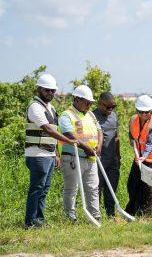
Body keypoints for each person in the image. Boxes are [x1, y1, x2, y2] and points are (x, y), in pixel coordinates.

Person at [24, 74, 77, 228]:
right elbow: (46, 128)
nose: (50, 93)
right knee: (37, 188)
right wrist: (68, 140)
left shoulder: (51, 108)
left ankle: (39, 220)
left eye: (53, 91)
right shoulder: (35, 107)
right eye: (47, 90)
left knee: (44, 189)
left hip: (49, 154)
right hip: (37, 154)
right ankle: (30, 222)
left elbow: (53, 131)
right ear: (39, 89)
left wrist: (56, 154)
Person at [59, 85, 103, 221]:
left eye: (91, 103)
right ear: (77, 99)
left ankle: (95, 216)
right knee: (71, 188)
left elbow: (99, 130)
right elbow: (68, 133)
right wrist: (85, 147)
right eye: (86, 102)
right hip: (73, 157)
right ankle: (70, 218)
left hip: (91, 157)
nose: (89, 105)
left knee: (93, 187)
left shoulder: (91, 114)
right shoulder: (66, 115)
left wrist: (99, 145)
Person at [125, 95, 152, 216]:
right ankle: (133, 211)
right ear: (137, 111)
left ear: (151, 111)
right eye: (141, 112)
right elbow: (132, 134)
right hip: (140, 158)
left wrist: (145, 156)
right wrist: (132, 141)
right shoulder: (133, 119)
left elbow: (150, 143)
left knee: (149, 189)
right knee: (133, 184)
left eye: (147, 112)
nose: (144, 114)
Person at [93, 92, 120, 218]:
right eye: (107, 107)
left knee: (112, 186)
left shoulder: (114, 116)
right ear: (100, 103)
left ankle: (111, 214)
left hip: (113, 158)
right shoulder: (92, 116)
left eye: (113, 107)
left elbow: (117, 137)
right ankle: (96, 214)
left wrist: (118, 156)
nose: (110, 110)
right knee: (97, 186)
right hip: (99, 159)